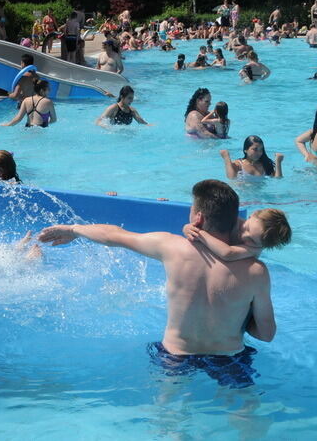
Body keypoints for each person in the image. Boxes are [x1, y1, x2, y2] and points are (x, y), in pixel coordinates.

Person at [38, 179, 276, 387]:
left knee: (170, 415)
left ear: (198, 217)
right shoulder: (256, 271)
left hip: (176, 355)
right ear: (235, 218)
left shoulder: (171, 247)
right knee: (245, 413)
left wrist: (73, 229)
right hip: (230, 357)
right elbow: (266, 334)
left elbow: (114, 235)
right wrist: (238, 319)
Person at [183, 208, 291, 262]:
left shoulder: (253, 249)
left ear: (262, 246)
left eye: (252, 240)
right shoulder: (235, 220)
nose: (244, 235)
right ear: (252, 215)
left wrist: (200, 234)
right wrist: (188, 228)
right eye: (247, 228)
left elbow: (227, 253)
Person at [219, 136, 284, 178]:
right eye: (255, 149)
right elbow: (231, 178)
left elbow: (278, 180)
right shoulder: (238, 164)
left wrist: (278, 162)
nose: (259, 153)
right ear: (245, 150)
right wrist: (226, 158)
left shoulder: (265, 164)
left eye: (261, 150)